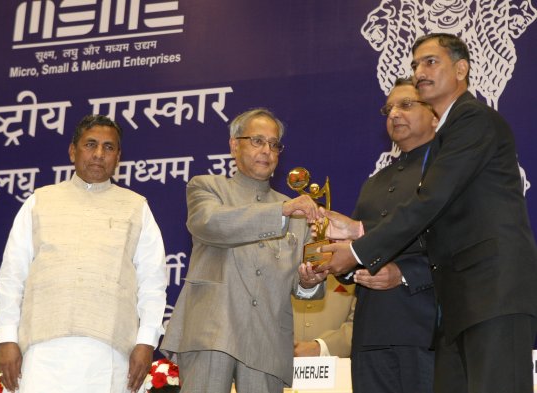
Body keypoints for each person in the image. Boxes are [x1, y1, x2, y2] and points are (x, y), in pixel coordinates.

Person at [317, 33, 537, 393]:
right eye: (416, 64)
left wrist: (358, 250)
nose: (420, 71)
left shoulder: (472, 120)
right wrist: (357, 233)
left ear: (462, 69)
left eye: (431, 62)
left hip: (492, 294)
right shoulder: (448, 135)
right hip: (457, 304)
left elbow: (430, 202)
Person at [0, 114, 167, 393]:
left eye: (109, 147)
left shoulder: (136, 208)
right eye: (90, 145)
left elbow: (153, 283)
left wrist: (145, 342)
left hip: (108, 355)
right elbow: (12, 276)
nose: (99, 154)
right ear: (73, 151)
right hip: (42, 353)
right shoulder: (39, 201)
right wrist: (6, 339)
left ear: (119, 156)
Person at [160, 108, 327, 393]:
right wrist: (281, 211)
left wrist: (310, 283)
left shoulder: (296, 212)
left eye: (274, 144)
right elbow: (210, 223)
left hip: (268, 340)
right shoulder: (207, 187)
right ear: (234, 145)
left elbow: (302, 285)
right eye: (257, 141)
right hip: (212, 332)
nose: (267, 150)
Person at [345, 77, 437, 392]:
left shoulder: (449, 172)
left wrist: (403, 273)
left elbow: (462, 249)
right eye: (389, 108)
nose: (394, 114)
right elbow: (357, 250)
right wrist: (329, 266)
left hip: (427, 332)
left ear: (435, 113)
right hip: (370, 334)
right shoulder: (375, 182)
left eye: (406, 105)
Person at [292, 275, 355, 358]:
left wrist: (321, 347)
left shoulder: (356, 270)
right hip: (279, 364)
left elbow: (364, 324)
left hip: (340, 367)